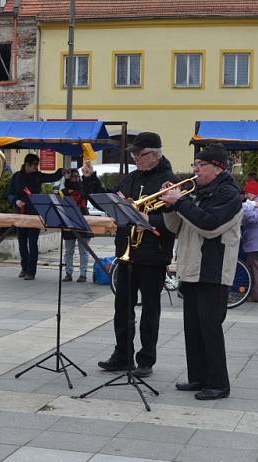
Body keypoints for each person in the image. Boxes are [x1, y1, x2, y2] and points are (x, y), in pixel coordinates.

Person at [161, 143, 242, 400]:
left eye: (200, 165)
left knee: (210, 328)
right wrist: (169, 205)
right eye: (195, 165)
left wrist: (181, 202)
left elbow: (209, 226)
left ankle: (219, 383)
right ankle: (198, 377)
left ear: (217, 168)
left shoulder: (229, 194)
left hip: (213, 269)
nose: (195, 170)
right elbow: (176, 227)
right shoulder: (197, 191)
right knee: (192, 327)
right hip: (191, 268)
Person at [97, 132, 176, 379]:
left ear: (154, 154)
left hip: (154, 255)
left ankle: (146, 360)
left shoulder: (169, 182)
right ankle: (122, 355)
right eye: (133, 154)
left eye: (139, 155)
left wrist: (148, 220)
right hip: (127, 252)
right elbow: (112, 203)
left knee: (150, 311)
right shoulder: (130, 178)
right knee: (122, 308)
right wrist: (89, 182)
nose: (135, 159)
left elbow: (174, 221)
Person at [6, 154, 64, 280]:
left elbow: (52, 176)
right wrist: (16, 201)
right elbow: (10, 194)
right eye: (34, 166)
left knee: (33, 243)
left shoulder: (37, 176)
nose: (36, 168)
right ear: (27, 165)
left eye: (37, 165)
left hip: (34, 214)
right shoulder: (16, 176)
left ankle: (31, 271)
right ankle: (24, 267)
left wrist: (61, 171)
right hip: (20, 213)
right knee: (22, 243)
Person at [60, 166, 103, 282]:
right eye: (72, 177)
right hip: (69, 220)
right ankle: (68, 273)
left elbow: (90, 188)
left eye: (76, 176)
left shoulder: (83, 189)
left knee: (83, 250)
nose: (74, 179)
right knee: (68, 250)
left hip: (82, 219)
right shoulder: (63, 191)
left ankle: (83, 274)